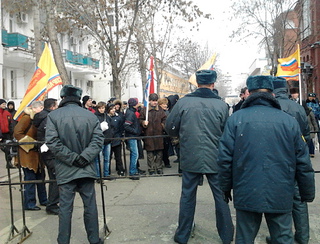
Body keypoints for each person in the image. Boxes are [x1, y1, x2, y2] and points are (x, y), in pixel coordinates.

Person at [218, 75, 315, 244]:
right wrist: (307, 192)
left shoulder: (236, 119)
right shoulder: (288, 121)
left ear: (249, 92)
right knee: (283, 238)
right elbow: (303, 161)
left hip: (246, 189)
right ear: (272, 93)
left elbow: (224, 158)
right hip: (281, 190)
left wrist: (226, 188)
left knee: (244, 238)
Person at [165, 70, 234, 244]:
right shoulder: (221, 105)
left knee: (188, 196)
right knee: (221, 196)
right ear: (213, 84)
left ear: (197, 83)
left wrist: (181, 135)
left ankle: (182, 235)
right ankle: (226, 236)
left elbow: (170, 127)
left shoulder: (184, 103)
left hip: (190, 154)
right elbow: (227, 132)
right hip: (215, 157)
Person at [45, 85, 104, 244]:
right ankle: (94, 240)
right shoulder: (90, 116)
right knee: (90, 206)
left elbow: (52, 141)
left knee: (65, 208)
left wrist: (72, 158)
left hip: (66, 169)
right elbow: (98, 140)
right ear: (78, 98)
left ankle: (63, 241)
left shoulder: (54, 116)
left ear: (63, 98)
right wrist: (83, 158)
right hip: (85, 167)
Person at [14, 100, 48, 211]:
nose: (42, 110)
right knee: (30, 178)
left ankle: (43, 199)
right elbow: (17, 133)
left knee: (40, 176)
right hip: (27, 153)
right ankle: (29, 203)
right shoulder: (27, 118)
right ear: (35, 108)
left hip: (36, 153)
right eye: (41, 108)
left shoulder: (36, 118)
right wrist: (31, 144)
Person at [33, 98, 59, 215]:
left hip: (47, 151)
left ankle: (52, 203)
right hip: (50, 152)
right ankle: (52, 205)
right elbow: (50, 135)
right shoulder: (48, 118)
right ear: (52, 107)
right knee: (55, 178)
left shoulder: (43, 117)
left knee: (54, 177)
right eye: (56, 106)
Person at [140, 93, 167, 175]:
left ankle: (159, 167)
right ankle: (151, 169)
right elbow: (140, 120)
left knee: (159, 153)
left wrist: (162, 125)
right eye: (153, 101)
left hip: (158, 133)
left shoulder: (160, 110)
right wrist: (143, 123)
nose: (154, 103)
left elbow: (165, 119)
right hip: (148, 134)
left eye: (156, 101)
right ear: (150, 101)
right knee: (150, 153)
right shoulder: (144, 110)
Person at [94, 101, 113, 178]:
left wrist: (111, 136)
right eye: (100, 108)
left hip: (107, 140)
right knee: (98, 159)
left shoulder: (107, 116)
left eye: (103, 108)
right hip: (99, 140)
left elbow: (111, 126)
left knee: (107, 159)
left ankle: (106, 174)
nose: (102, 110)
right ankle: (98, 175)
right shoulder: (94, 117)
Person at [124, 98, 141, 180]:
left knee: (134, 154)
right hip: (132, 136)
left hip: (132, 136)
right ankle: (132, 172)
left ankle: (134, 170)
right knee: (135, 154)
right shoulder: (130, 113)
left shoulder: (130, 112)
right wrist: (135, 131)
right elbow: (126, 125)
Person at [109, 102, 125, 176]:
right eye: (111, 109)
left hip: (117, 138)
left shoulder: (118, 118)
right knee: (108, 157)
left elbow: (121, 128)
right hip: (108, 139)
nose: (113, 110)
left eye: (114, 109)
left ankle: (120, 169)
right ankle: (107, 171)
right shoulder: (106, 118)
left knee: (118, 156)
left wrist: (122, 137)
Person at [158, 97, 173, 168]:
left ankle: (166, 161)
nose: (165, 105)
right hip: (161, 132)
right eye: (164, 104)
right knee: (161, 149)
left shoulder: (167, 112)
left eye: (166, 104)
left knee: (166, 148)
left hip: (166, 132)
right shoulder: (159, 112)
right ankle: (163, 162)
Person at [0, 99, 14, 164]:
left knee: (7, 148)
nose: (4, 105)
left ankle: (9, 162)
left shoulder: (7, 113)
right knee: (3, 148)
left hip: (7, 133)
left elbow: (11, 123)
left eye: (5, 104)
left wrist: (11, 132)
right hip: (0, 133)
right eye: (3, 104)